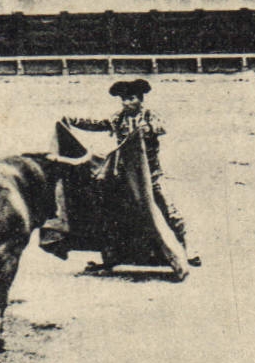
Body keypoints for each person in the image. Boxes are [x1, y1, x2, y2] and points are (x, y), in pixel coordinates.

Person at [59, 79, 198, 268]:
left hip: (151, 175)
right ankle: (111, 257)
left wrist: (145, 130)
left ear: (140, 100)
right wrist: (73, 121)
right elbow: (98, 124)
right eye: (123, 99)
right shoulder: (118, 117)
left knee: (169, 210)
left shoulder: (149, 115)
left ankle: (188, 251)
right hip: (127, 177)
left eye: (130, 98)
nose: (126, 103)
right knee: (114, 214)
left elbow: (161, 127)